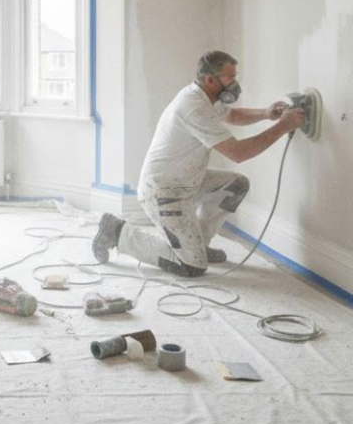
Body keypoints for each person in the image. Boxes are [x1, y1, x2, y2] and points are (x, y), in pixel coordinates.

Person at [92, 51, 305, 277]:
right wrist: (283, 127)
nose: (235, 83)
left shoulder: (205, 96)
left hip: (187, 180)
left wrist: (265, 113)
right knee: (191, 266)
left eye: (235, 76)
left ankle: (198, 244)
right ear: (210, 80)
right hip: (164, 191)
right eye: (229, 77)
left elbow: (231, 115)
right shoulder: (194, 108)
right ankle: (117, 232)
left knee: (236, 185)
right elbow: (239, 153)